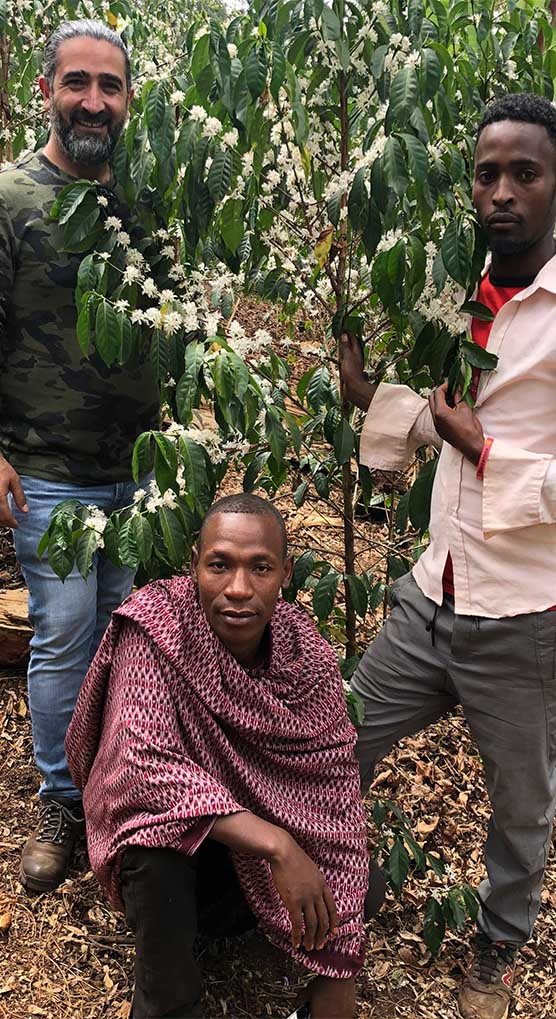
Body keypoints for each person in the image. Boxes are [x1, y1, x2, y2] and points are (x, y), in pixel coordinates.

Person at [341, 91, 556, 1019]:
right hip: (432, 593)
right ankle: (333, 889)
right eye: (486, 173)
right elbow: (448, 408)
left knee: (519, 803)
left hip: (520, 616)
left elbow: (477, 437)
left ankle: (497, 951)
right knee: (335, 740)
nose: (500, 191)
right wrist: (373, 400)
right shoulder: (471, 286)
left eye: (525, 173)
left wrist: (486, 453)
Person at [65, 494, 369, 1019]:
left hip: (250, 876)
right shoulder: (158, 628)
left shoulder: (306, 654)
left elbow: (334, 791)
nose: (238, 590)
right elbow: (142, 768)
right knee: (154, 848)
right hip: (183, 873)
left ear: (286, 574)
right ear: (194, 566)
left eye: (261, 568)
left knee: (364, 873)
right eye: (219, 564)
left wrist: (339, 973)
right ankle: (167, 1003)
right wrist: (277, 844)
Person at [0, 20, 159, 892]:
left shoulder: (143, 205)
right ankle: (63, 799)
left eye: (110, 85)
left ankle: (119, 784)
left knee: (128, 630)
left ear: (128, 99)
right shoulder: (12, 198)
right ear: (47, 90)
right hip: (49, 465)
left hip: (137, 474)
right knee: (64, 633)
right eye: (77, 83)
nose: (93, 101)